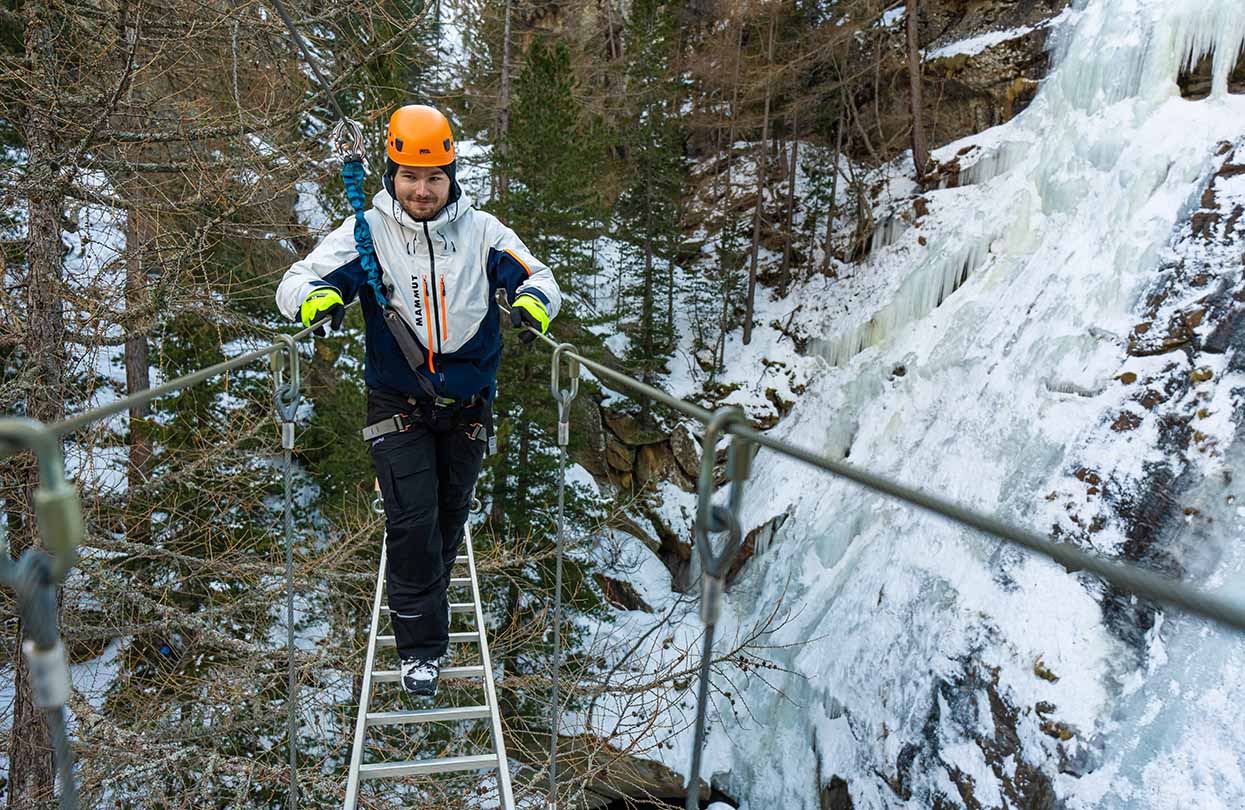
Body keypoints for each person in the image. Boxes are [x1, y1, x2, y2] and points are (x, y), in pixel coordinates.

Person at [275, 104, 561, 696]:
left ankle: (426, 591)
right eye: (410, 177)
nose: (422, 191)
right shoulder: (367, 232)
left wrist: (532, 303)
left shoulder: (484, 233)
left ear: (452, 176)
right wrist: (315, 300)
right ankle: (421, 650)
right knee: (412, 523)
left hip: (468, 404)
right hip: (397, 401)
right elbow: (296, 281)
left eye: (434, 178)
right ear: (392, 174)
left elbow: (539, 277)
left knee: (447, 520)